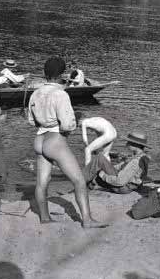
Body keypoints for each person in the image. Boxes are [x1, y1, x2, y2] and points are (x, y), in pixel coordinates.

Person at [27, 56, 107, 228]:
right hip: (54, 140)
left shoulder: (35, 93)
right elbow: (67, 124)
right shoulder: (60, 94)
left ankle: (45, 218)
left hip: (39, 138)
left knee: (41, 182)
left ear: (45, 73)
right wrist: (74, 123)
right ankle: (86, 220)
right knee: (78, 180)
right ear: (62, 74)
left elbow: (31, 122)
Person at [86, 131, 151, 195]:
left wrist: (103, 176)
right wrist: (105, 168)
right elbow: (121, 166)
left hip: (124, 188)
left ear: (136, 145)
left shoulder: (135, 161)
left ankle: (82, 182)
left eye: (129, 142)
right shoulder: (141, 156)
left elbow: (120, 181)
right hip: (130, 186)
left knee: (99, 159)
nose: (126, 144)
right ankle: (87, 182)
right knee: (100, 160)